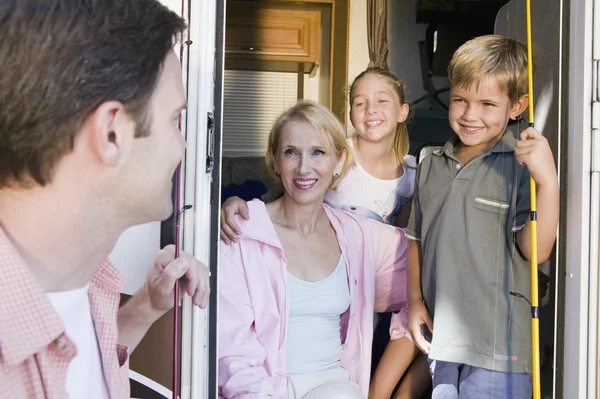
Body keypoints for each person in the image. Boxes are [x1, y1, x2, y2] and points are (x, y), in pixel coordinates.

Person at [0, 1, 210, 398]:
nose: (183, 146)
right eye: (175, 121)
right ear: (112, 133)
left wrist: (147, 306)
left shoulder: (85, 280)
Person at [220, 67, 431, 399]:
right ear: (275, 160)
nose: (304, 167)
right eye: (291, 152)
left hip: (337, 386)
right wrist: (224, 204)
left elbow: (433, 273)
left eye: (318, 152)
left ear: (337, 161)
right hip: (263, 388)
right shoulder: (242, 231)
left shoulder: (362, 232)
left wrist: (389, 391)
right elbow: (232, 353)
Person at [406, 34, 559, 398]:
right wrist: (414, 301)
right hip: (442, 341)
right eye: (460, 100)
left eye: (487, 103)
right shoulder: (429, 163)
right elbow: (415, 239)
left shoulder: (521, 167)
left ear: (516, 107)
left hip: (500, 346)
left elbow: (536, 251)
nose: (470, 115)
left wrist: (548, 183)